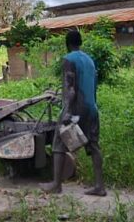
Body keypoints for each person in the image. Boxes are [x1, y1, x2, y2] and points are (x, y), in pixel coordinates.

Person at [40, 30, 106, 196]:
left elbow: (70, 89)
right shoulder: (90, 60)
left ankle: (56, 184)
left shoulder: (68, 60)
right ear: (81, 42)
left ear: (67, 44)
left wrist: (67, 113)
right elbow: (93, 86)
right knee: (94, 145)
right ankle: (100, 186)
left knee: (58, 142)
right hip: (92, 108)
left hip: (77, 107)